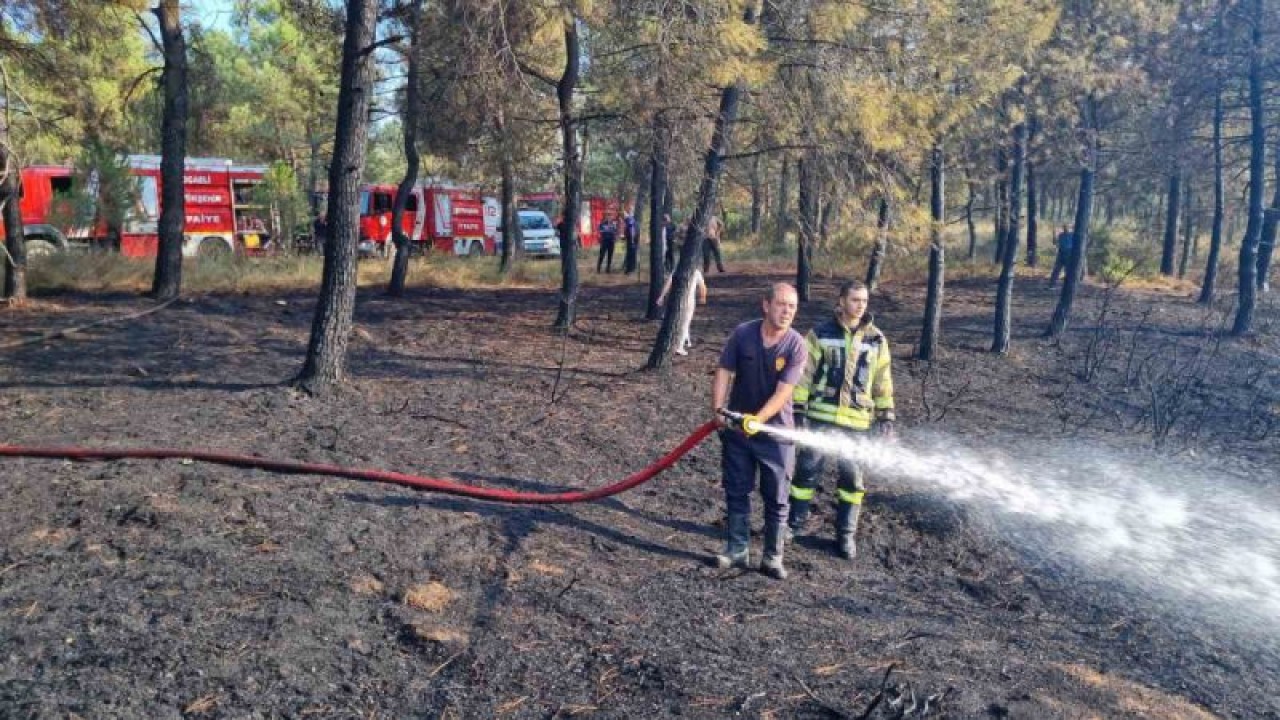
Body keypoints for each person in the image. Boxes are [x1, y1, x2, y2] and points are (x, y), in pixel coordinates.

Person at [788, 280, 895, 561]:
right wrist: (798, 409)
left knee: (852, 480)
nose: (860, 305)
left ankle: (845, 535)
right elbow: (804, 373)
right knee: (806, 472)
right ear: (841, 301)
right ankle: (792, 525)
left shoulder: (877, 339)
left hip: (858, 423)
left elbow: (883, 380)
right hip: (821, 416)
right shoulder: (820, 333)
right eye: (855, 300)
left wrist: (886, 416)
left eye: (864, 301)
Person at [712, 283, 807, 580]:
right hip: (739, 433)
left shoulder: (795, 345)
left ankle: (772, 557)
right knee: (736, 489)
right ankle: (737, 550)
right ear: (765, 305)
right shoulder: (743, 334)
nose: (787, 311)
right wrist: (717, 409)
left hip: (776, 435)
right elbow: (724, 370)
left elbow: (784, 392)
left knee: (777, 496)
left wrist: (759, 419)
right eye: (781, 304)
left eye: (792, 306)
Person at [657, 268, 707, 356]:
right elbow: (703, 286)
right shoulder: (695, 272)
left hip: (676, 300)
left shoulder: (677, 269)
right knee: (685, 322)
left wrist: (662, 296)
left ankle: (686, 340)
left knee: (681, 321)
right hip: (689, 301)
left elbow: (668, 284)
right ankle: (679, 347)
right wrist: (703, 297)